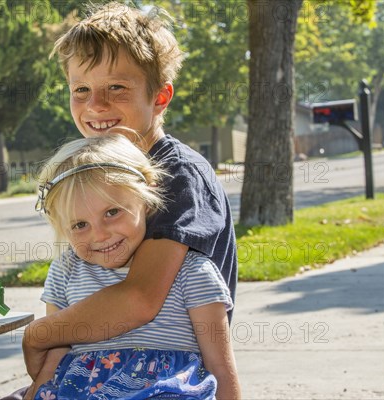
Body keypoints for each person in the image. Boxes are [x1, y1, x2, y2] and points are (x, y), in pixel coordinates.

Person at [21, 1, 238, 397]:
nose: (95, 106)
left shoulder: (178, 175)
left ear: (160, 96)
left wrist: (37, 335)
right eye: (81, 89)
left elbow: (139, 300)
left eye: (116, 88)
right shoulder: (91, 174)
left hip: (164, 383)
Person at [28, 134, 240, 399]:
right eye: (80, 225)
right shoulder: (66, 271)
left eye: (112, 212)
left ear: (147, 197)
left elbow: (220, 367)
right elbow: (55, 355)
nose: (100, 235)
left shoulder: (192, 271)